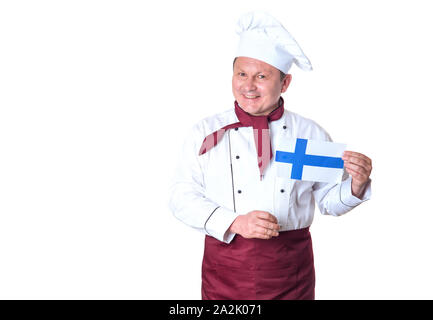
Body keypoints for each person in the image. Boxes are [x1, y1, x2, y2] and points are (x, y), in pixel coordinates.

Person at [169, 11, 372, 300]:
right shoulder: (206, 131)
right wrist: (234, 222)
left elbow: (329, 203)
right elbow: (180, 195)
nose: (248, 86)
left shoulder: (309, 134)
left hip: (291, 272)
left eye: (261, 76)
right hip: (225, 270)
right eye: (241, 74)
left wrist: (356, 185)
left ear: (285, 83)